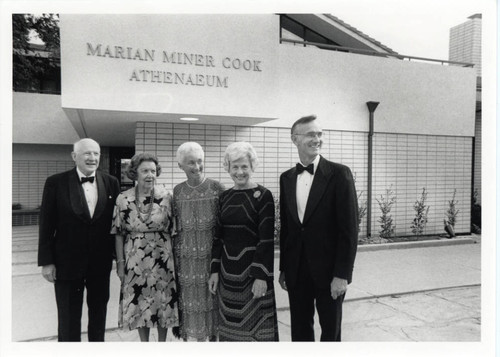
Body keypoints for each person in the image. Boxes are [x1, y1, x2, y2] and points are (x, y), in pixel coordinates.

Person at [278, 115, 359, 341]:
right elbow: (287, 228)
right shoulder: (286, 178)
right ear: (295, 139)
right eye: (310, 134)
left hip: (330, 273)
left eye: (319, 134)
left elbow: (349, 231)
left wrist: (342, 275)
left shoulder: (339, 174)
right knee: (300, 332)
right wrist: (284, 268)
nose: (317, 139)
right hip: (297, 272)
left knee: (330, 334)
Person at [38, 138, 120, 342]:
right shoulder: (55, 182)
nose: (92, 158)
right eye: (87, 153)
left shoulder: (111, 182)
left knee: (99, 315)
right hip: (66, 263)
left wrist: (120, 259)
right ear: (74, 156)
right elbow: (46, 224)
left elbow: (117, 224)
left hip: (99, 263)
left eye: (96, 153)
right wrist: (47, 261)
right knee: (68, 318)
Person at [208, 142, 279, 341]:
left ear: (252, 166)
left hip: (252, 275)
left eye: (244, 166)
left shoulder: (263, 196)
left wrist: (261, 276)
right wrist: (214, 270)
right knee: (229, 330)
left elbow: (266, 239)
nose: (240, 172)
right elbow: (218, 237)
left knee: (256, 330)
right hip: (227, 275)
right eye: (235, 167)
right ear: (228, 168)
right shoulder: (225, 197)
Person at [112, 153, 179, 342]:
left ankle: (162, 344)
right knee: (140, 301)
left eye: (152, 170)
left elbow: (175, 229)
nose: (150, 175)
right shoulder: (123, 199)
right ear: (135, 173)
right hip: (135, 257)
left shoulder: (167, 196)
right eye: (144, 171)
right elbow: (118, 233)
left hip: (163, 257)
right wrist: (120, 263)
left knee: (163, 300)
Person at [172, 142, 224, 341]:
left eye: (200, 161)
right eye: (190, 162)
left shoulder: (217, 188)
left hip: (211, 260)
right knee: (190, 309)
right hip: (185, 262)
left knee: (212, 309)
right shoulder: (177, 192)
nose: (196, 166)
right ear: (180, 166)